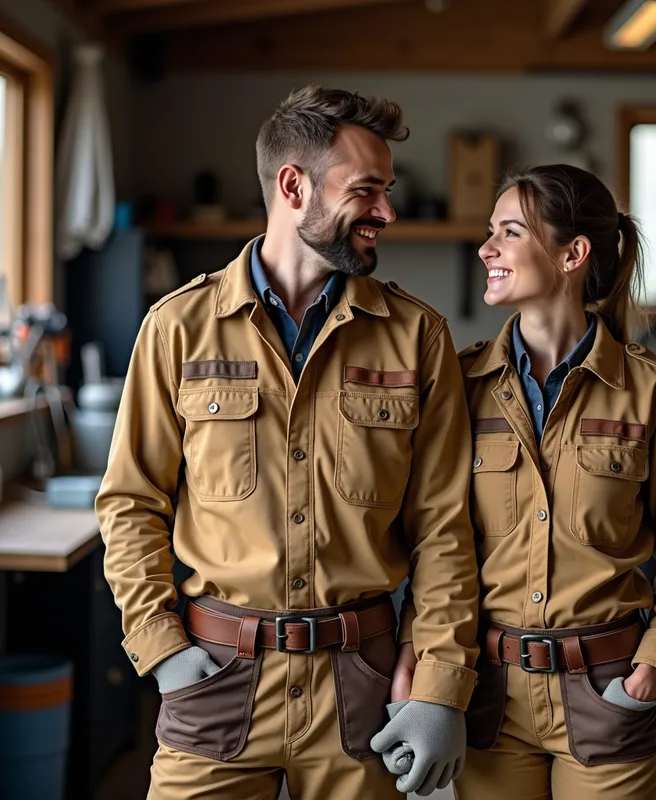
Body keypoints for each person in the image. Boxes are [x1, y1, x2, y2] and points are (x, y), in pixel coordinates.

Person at [96, 85, 479, 800]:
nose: (386, 212)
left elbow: (445, 529)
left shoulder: (416, 336)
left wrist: (438, 686)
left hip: (360, 684)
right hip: (214, 674)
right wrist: (161, 649)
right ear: (294, 187)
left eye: (388, 191)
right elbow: (130, 503)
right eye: (365, 190)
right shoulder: (178, 328)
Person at [390, 163, 656, 799]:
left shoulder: (651, 393)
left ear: (573, 254)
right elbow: (436, 543)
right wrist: (423, 660)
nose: (486, 249)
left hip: (608, 689)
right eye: (491, 231)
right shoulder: (459, 386)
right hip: (488, 695)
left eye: (510, 232)